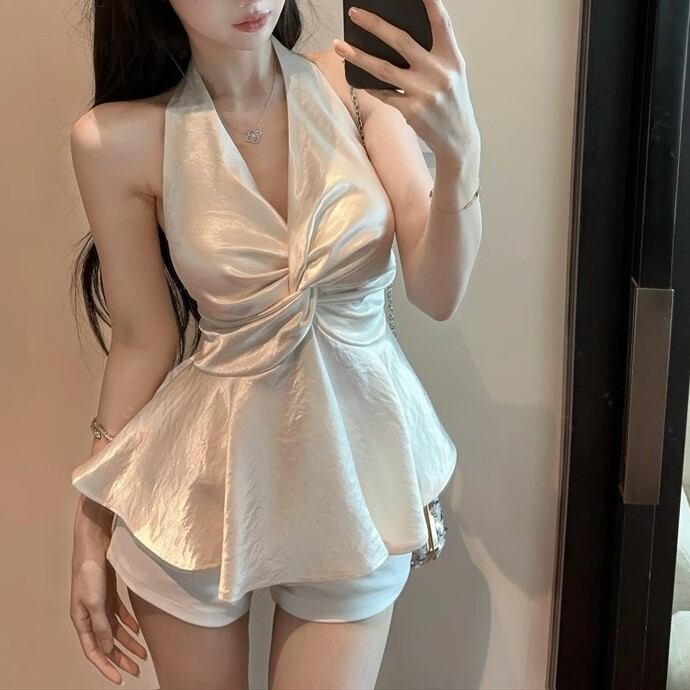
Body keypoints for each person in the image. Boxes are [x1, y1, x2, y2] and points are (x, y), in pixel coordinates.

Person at [68, 0, 482, 688]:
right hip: (198, 487)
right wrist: (89, 529)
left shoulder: (354, 89)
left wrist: (461, 151)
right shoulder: (117, 139)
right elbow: (143, 342)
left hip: (359, 478)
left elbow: (437, 293)